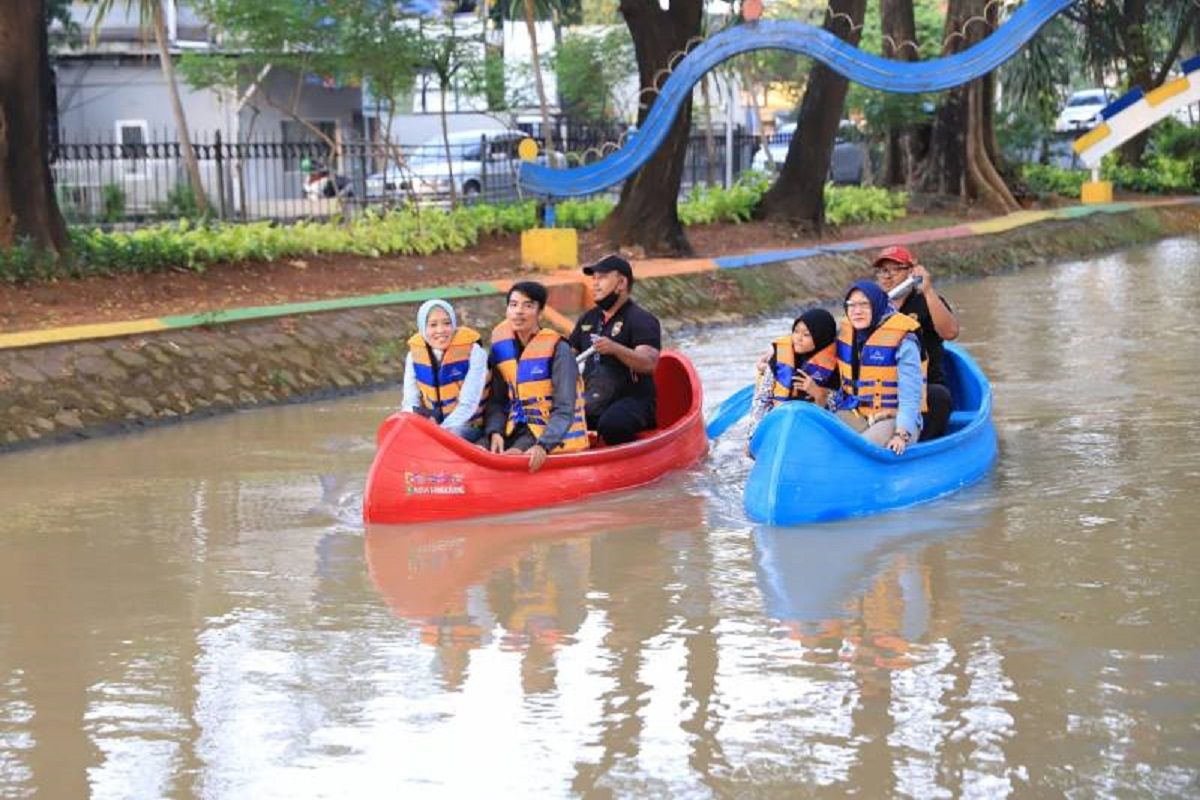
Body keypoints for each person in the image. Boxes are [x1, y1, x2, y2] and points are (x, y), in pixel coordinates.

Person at [485, 281, 589, 473]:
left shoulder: (560, 350)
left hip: (545, 431)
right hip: (512, 427)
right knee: (478, 448)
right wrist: (495, 431)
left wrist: (544, 445)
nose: (519, 312)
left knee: (512, 456)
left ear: (540, 311)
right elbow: (497, 401)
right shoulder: (501, 349)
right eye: (513, 305)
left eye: (528, 305)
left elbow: (564, 408)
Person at [567, 255, 662, 445]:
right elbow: (569, 355)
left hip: (633, 402)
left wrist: (615, 349)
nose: (595, 284)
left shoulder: (642, 319)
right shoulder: (588, 320)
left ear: (621, 283)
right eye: (593, 279)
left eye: (601, 278)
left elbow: (649, 364)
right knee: (560, 419)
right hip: (595, 398)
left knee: (612, 425)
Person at [871, 245, 959, 440]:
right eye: (883, 271)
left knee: (938, 397)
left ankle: (921, 446)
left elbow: (950, 332)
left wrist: (927, 290)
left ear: (911, 271)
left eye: (895, 269)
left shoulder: (925, 300)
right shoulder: (873, 307)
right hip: (885, 389)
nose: (887, 276)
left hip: (925, 387)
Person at [834, 281, 927, 455]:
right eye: (851, 305)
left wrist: (901, 434)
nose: (857, 310)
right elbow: (812, 339)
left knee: (860, 449)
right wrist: (773, 352)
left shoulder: (904, 340)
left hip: (896, 419)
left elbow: (910, 395)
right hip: (857, 414)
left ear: (876, 305)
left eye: (864, 304)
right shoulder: (845, 330)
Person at [401, 299, 488, 442]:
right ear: (423, 328)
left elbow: (469, 404)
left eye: (447, 323)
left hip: (468, 425)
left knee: (455, 433)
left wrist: (439, 432)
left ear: (453, 324)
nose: (440, 330)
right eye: (433, 325)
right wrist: (418, 424)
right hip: (432, 423)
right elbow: (410, 402)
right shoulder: (413, 356)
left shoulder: (475, 353)